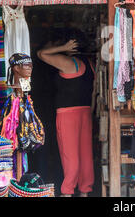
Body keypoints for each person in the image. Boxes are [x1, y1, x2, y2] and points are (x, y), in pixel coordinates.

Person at [37, 31, 94, 197]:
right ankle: (85, 191)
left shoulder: (70, 63)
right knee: (85, 155)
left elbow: (41, 54)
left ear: (72, 44)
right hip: (85, 111)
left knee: (70, 155)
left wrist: (63, 47)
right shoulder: (90, 64)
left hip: (68, 114)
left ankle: (67, 192)